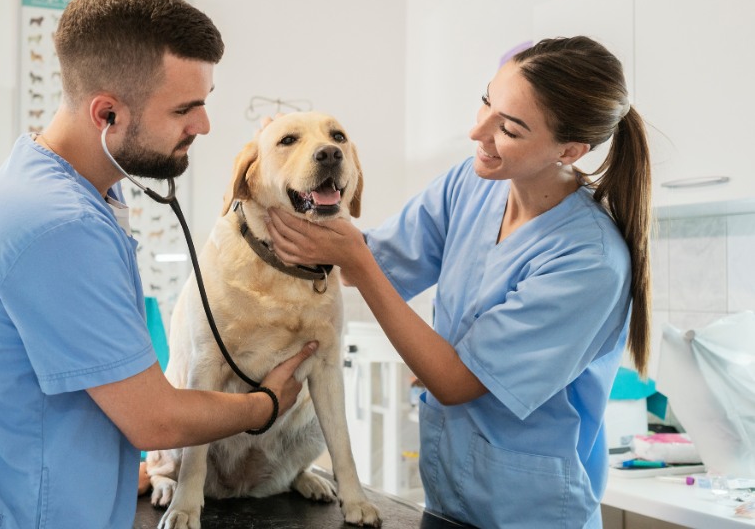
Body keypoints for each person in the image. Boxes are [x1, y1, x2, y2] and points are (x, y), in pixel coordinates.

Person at [0, 0, 316, 529]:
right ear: (107, 115)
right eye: (184, 110)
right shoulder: (58, 226)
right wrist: (266, 404)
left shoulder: (74, 187)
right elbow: (156, 420)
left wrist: (115, 469)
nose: (204, 126)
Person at [266, 36, 652, 529]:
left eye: (508, 128)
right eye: (487, 100)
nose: (477, 131)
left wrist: (357, 261)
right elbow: (363, 261)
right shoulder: (469, 185)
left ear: (570, 149)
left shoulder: (588, 260)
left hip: (530, 513)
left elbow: (454, 382)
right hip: (448, 498)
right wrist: (281, 169)